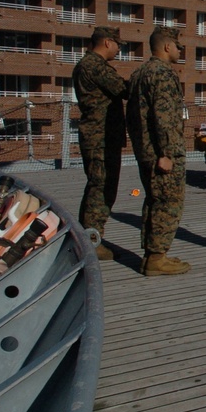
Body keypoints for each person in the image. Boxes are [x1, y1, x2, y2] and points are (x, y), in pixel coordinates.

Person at [126, 27, 190, 276]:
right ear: (166, 47)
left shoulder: (140, 72)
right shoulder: (162, 74)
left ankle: (154, 254)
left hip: (146, 151)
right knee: (168, 203)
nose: (179, 50)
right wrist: (165, 153)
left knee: (154, 201)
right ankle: (156, 258)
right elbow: (163, 118)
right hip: (164, 152)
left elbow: (133, 117)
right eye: (177, 46)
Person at [72, 26, 128, 260]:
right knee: (101, 189)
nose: (118, 49)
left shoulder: (86, 64)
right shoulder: (94, 65)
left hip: (101, 136)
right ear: (107, 42)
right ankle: (91, 241)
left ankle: (87, 236)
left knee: (98, 186)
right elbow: (123, 89)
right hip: (100, 137)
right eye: (117, 44)